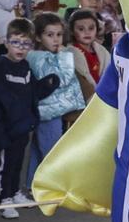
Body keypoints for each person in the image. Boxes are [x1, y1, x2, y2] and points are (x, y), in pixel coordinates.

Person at [0, 22, 56, 216]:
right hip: (5, 130)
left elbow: (31, 93)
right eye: (16, 42)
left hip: (23, 127)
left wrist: (48, 85)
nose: (21, 48)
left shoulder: (25, 67)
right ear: (6, 43)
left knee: (17, 163)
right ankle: (3, 199)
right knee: (5, 166)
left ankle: (15, 193)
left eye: (26, 44)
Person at [28, 11, 87, 175]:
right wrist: (65, 56)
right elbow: (62, 79)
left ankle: (33, 187)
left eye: (59, 34)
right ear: (38, 37)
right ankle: (51, 188)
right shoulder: (39, 58)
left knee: (39, 152)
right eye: (50, 35)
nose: (56, 39)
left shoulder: (48, 56)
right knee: (51, 153)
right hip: (49, 113)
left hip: (53, 110)